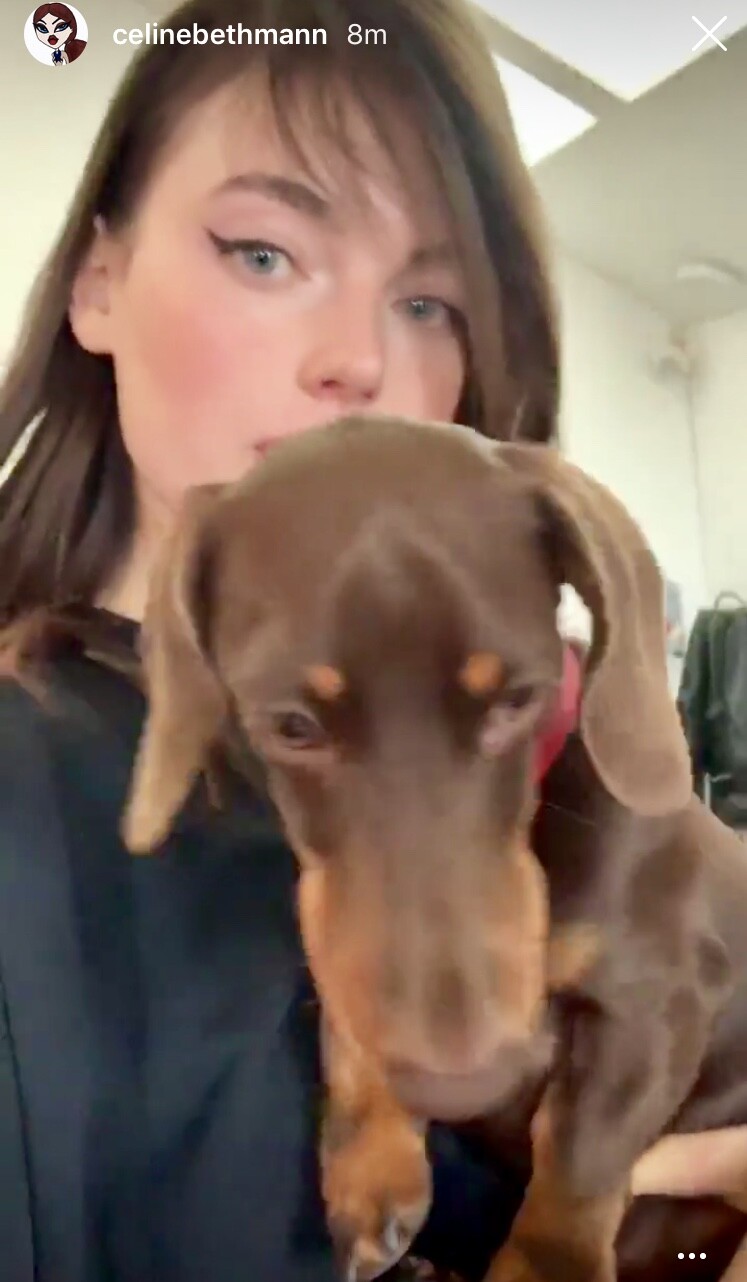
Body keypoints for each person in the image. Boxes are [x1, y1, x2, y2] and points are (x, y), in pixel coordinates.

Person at [0, 1, 745, 1279]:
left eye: (430, 302)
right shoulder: (31, 786)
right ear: (99, 278)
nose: (355, 359)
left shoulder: (561, 792)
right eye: (265, 253)